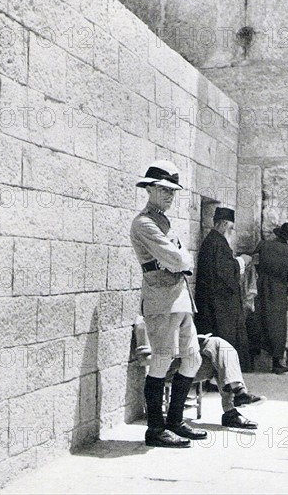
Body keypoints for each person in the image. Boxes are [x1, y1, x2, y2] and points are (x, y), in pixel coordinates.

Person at [130, 160, 207, 448]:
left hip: (180, 296)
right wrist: (179, 260)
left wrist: (179, 259)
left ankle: (175, 421)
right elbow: (177, 259)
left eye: (172, 191)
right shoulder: (144, 223)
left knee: (192, 359)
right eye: (163, 189)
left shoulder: (164, 221)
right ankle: (155, 429)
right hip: (161, 298)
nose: (169, 195)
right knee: (162, 359)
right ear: (149, 188)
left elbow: (180, 257)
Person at [136, 329, 266, 429]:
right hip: (168, 369)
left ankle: (237, 396)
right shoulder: (147, 322)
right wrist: (176, 350)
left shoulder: (176, 314)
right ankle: (233, 405)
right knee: (219, 357)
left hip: (186, 362)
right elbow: (144, 359)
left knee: (221, 348)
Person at [194, 207, 252, 371]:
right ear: (224, 224)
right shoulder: (216, 242)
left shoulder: (214, 241)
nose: (231, 232)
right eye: (231, 228)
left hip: (216, 303)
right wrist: (242, 261)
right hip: (217, 306)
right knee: (222, 341)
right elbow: (223, 271)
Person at [253, 222, 288, 374]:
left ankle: (252, 359)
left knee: (258, 320)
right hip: (278, 292)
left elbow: (254, 264)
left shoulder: (263, 245)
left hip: (260, 287)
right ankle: (276, 363)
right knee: (277, 325)